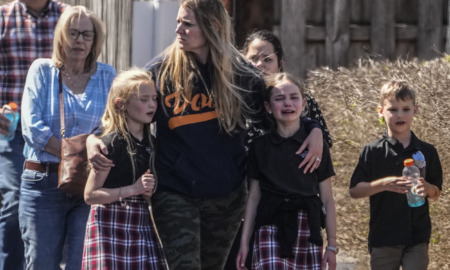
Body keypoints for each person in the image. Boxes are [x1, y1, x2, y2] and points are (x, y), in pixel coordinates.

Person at [88, 0, 323, 269]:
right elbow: (125, 102)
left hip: (227, 195)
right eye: (178, 22)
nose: (178, 29)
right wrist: (94, 137)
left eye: (187, 24)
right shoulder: (161, 70)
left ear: (212, 27)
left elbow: (280, 115)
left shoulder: (241, 75)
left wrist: (312, 129)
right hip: (174, 191)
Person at [19, 6, 116, 270]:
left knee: (82, 263)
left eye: (87, 35)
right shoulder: (41, 70)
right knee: (42, 263)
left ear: (95, 40)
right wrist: (75, 155)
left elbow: (113, 127)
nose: (80, 40)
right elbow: (32, 129)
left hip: (89, 186)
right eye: (73, 33)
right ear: (61, 36)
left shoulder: (108, 75)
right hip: (43, 182)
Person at [236, 73, 337, 270]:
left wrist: (332, 245)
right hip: (270, 225)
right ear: (268, 107)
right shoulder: (259, 147)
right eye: (279, 99)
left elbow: (327, 199)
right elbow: (254, 198)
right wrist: (244, 243)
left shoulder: (317, 147)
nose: (287, 103)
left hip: (309, 226)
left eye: (294, 97)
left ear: (304, 103)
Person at [0, 1, 67, 268]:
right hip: (14, 130)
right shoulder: (3, 18)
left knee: (61, 200)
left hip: (58, 132)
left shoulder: (66, 17)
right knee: (15, 201)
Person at [349, 80, 442, 270]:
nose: (400, 115)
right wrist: (384, 184)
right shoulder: (372, 151)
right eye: (393, 109)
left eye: (406, 109)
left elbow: (436, 193)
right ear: (381, 111)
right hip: (383, 237)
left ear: (415, 110)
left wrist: (428, 189)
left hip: (417, 236)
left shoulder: (427, 151)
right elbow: (355, 191)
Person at [82, 69, 168, 269]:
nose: (151, 105)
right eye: (143, 99)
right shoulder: (110, 143)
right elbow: (90, 195)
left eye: (154, 99)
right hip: (109, 222)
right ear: (121, 104)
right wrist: (134, 189)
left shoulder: (153, 144)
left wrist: (148, 193)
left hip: (141, 220)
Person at [242, 29, 332, 148]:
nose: (259, 64)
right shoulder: (235, 100)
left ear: (280, 65)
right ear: (243, 63)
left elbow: (325, 145)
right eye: (253, 58)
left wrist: (315, 129)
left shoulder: (299, 99)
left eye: (267, 59)